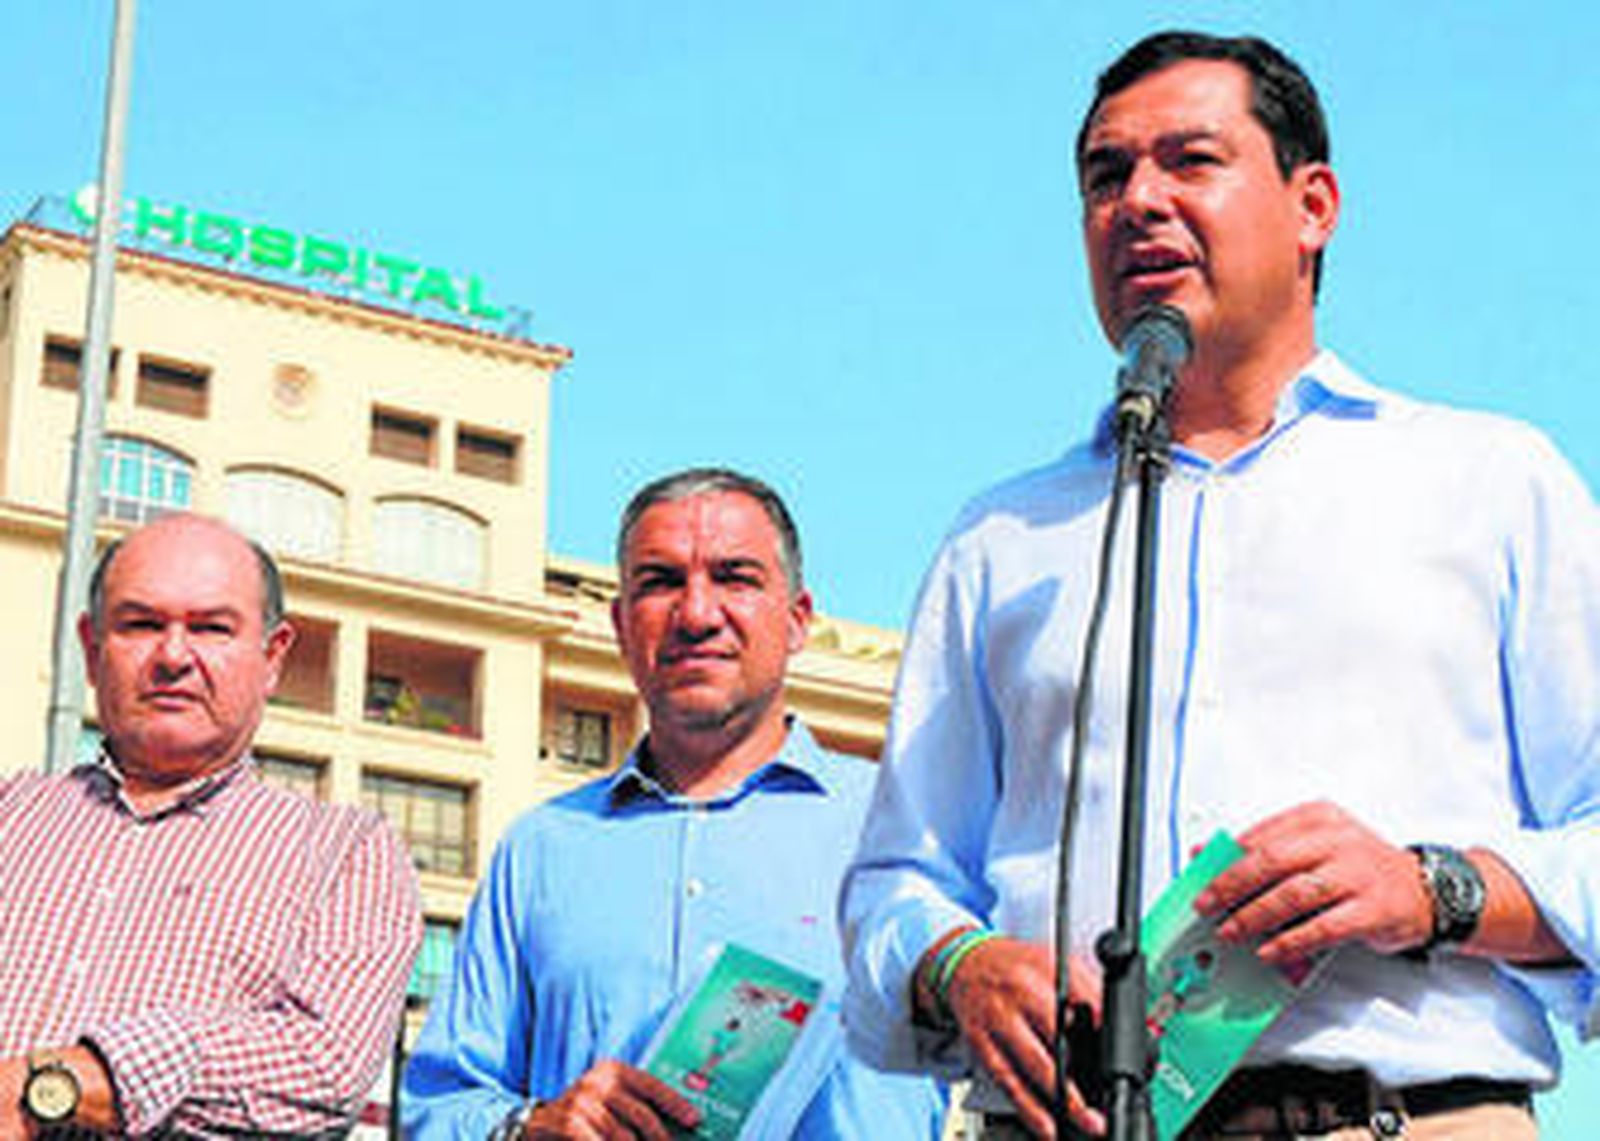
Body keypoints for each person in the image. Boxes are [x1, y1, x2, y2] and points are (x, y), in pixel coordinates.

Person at [841, 29, 1599, 1140]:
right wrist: (957, 964)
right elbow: (890, 883)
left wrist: (1433, 888)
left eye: (1189, 161)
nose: (1137, 201)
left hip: (1395, 1116)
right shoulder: (1000, 536)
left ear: (1313, 207)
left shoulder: (1488, 482)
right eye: (1105, 176)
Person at [402, 468, 945, 1139]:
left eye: (735, 577)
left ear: (798, 619)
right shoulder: (539, 849)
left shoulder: (902, 829)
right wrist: (529, 1127)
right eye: (660, 582)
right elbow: (434, 1107)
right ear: (622, 623)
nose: (696, 613)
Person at [0, 512, 422, 1135]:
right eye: (141, 625)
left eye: (212, 628)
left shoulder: (347, 854)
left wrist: (68, 1083)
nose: (173, 655)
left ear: (272, 656)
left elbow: (327, 1062)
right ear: (91, 651)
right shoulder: (13, 814)